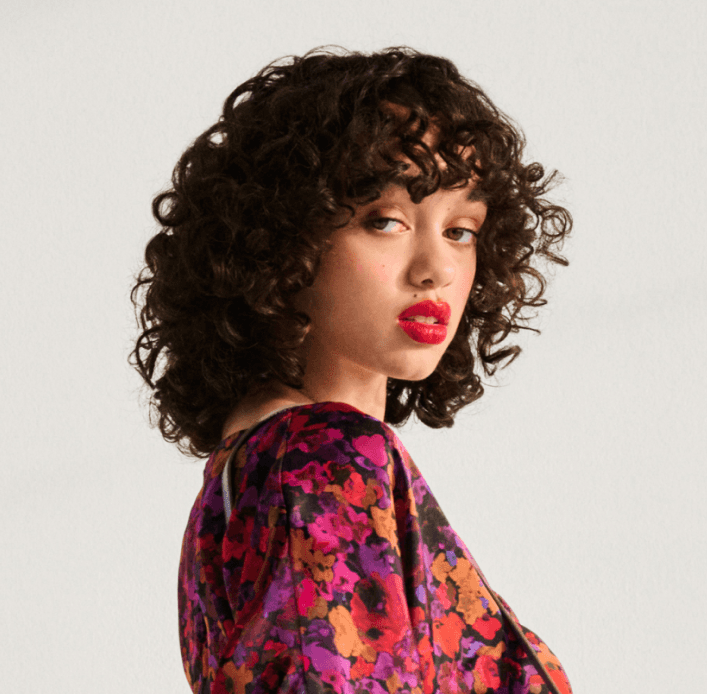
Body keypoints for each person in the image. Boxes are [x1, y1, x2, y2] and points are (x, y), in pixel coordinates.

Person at [131, 46, 573, 694]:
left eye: (460, 229)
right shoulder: (326, 458)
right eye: (387, 220)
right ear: (284, 240)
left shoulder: (251, 472)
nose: (436, 268)